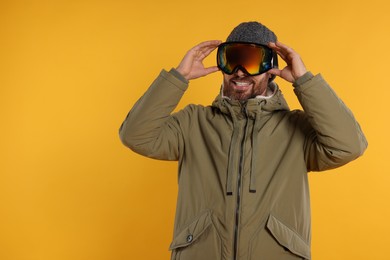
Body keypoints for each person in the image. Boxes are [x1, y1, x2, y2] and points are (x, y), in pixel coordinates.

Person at [119, 22, 367, 260]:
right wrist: (178, 77)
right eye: (231, 59)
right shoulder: (193, 123)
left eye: (251, 61)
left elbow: (348, 146)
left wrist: (304, 81)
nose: (239, 71)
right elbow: (136, 135)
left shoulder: (297, 129)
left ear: (271, 69)